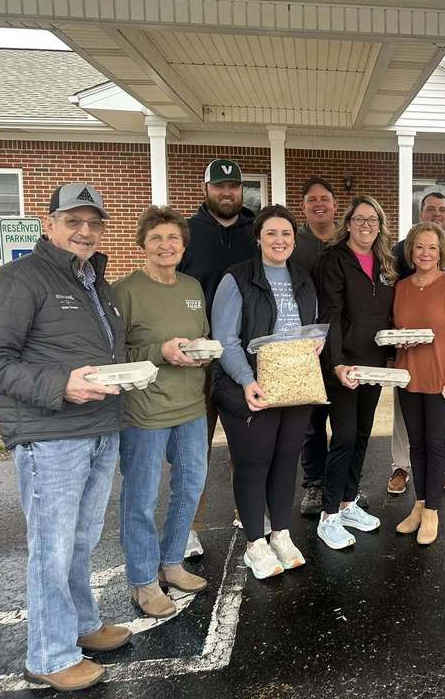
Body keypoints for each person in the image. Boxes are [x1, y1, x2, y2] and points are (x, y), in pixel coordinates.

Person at [0, 183, 128, 692]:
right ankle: (50, 653)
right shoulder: (19, 280)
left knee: (81, 540)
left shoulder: (95, 283)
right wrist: (61, 385)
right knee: (52, 547)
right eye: (73, 221)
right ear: (49, 223)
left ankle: (80, 624)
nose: (84, 231)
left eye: (93, 223)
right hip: (51, 436)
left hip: (99, 429)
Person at [211, 205, 318, 579]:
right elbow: (224, 339)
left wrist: (316, 343)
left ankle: (281, 533)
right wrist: (246, 380)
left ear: (294, 239)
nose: (280, 240)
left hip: (294, 385)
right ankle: (255, 543)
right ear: (258, 238)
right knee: (254, 463)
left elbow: (309, 326)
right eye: (271, 233)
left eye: (286, 234)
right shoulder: (236, 279)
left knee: (287, 461)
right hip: (251, 386)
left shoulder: (303, 279)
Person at [114, 206, 210, 618]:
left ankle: (172, 563)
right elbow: (116, 355)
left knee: (190, 486)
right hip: (144, 410)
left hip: (191, 405)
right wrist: (161, 352)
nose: (165, 246)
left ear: (183, 246)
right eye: (156, 238)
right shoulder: (124, 292)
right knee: (141, 497)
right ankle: (143, 582)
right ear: (143, 245)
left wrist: (203, 350)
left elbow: (201, 334)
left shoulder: (192, 286)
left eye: (173, 239)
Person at [176, 158, 257, 558]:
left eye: (234, 186)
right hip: (200, 356)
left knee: (247, 442)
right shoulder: (188, 233)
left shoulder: (255, 230)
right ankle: (190, 525)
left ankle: (250, 513)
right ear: (205, 189)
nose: (227, 193)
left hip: (244, 355)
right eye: (219, 186)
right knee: (195, 448)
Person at [313, 195, 397, 550]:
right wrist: (336, 362)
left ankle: (348, 504)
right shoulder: (333, 261)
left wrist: (395, 346)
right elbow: (329, 315)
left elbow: (387, 315)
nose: (366, 226)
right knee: (344, 435)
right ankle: (328, 514)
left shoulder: (385, 262)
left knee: (362, 432)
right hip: (343, 364)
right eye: (360, 219)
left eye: (373, 220)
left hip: (373, 362)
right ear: (347, 223)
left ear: (380, 225)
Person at [387, 190, 445, 495]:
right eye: (420, 248)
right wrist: (400, 342)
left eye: (432, 248)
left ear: (441, 253)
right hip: (409, 376)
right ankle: (419, 504)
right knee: (416, 444)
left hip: (442, 378)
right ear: (411, 252)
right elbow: (395, 328)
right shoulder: (400, 288)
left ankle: (432, 512)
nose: (426, 253)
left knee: (436, 444)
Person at [290, 176, 339, 517]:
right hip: (306, 345)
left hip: (346, 342)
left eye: (324, 198)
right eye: (311, 200)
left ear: (335, 205)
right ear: (304, 206)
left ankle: (344, 483)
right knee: (312, 420)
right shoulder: (295, 242)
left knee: (346, 419)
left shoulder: (347, 239)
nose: (318, 204)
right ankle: (314, 484)